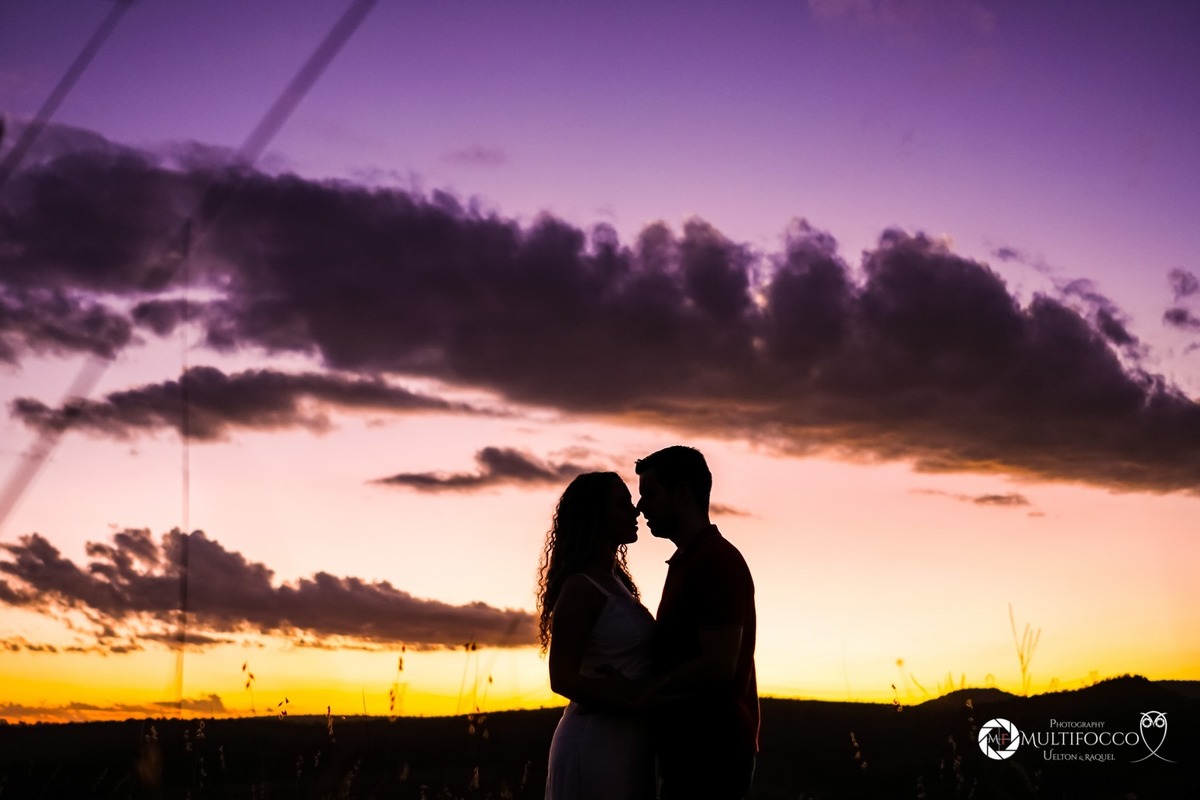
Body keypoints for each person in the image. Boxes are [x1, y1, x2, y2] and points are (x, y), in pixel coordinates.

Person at [635, 445, 759, 800]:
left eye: (650, 494)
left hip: (711, 751)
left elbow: (720, 663)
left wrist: (650, 687)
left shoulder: (716, 560)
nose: (641, 507)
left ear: (683, 494)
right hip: (692, 746)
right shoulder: (690, 560)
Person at [537, 471, 656, 800]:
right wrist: (635, 698)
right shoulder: (581, 587)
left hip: (626, 741)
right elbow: (561, 678)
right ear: (595, 516)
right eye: (622, 505)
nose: (635, 512)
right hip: (594, 744)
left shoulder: (615, 581)